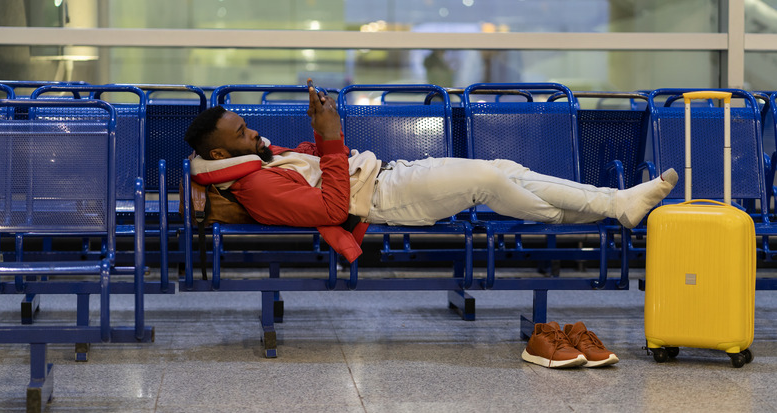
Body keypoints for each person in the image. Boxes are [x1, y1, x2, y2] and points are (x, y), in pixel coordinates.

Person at [183, 81, 678, 263]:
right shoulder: (255, 184)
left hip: (389, 174)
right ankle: (615, 205)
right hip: (382, 199)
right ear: (222, 154)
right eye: (242, 133)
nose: (252, 133)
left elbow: (319, 171)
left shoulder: (260, 161)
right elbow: (331, 207)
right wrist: (332, 138)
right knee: (491, 183)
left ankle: (617, 205)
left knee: (502, 168)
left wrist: (320, 130)